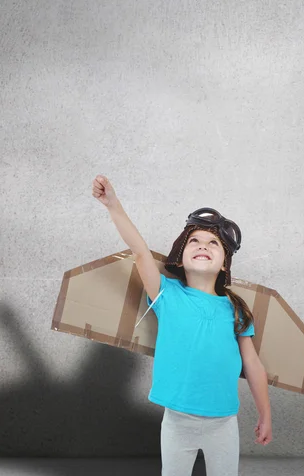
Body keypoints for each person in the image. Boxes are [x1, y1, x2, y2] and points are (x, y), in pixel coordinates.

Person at [92, 175, 273, 475]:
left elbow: (252, 364)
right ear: (182, 253)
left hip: (223, 423)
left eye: (213, 243)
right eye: (195, 241)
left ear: (225, 263)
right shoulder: (166, 294)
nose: (203, 246)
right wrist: (113, 205)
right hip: (177, 422)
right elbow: (139, 251)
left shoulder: (237, 309)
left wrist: (266, 414)